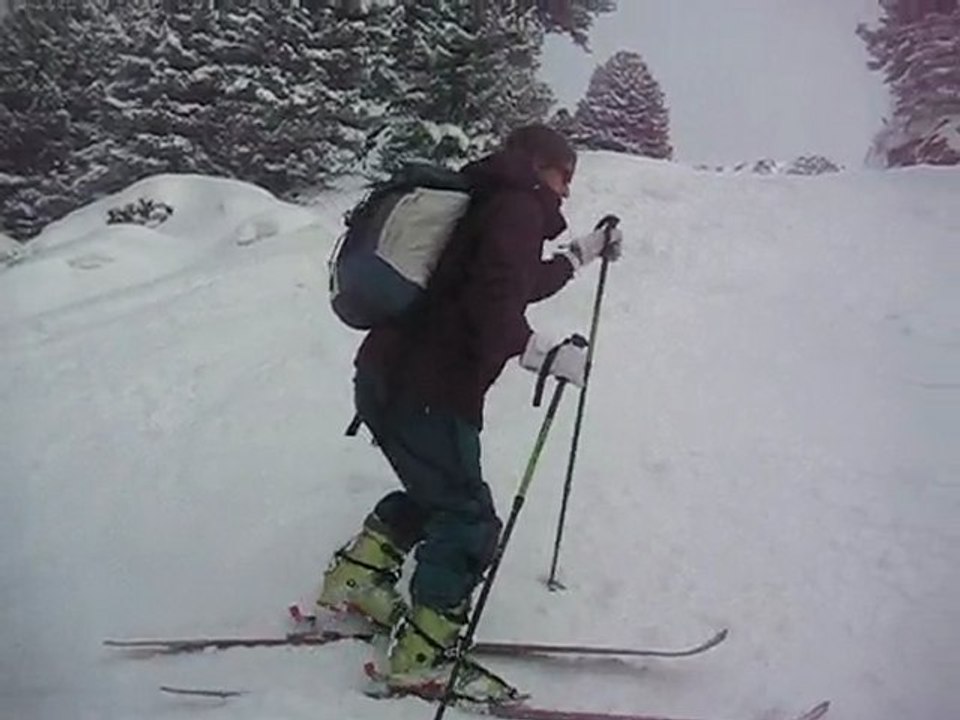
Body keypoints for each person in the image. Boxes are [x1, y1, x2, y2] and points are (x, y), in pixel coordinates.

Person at [316, 125, 622, 700]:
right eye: (564, 176)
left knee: (435, 494)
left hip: (385, 378)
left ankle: (354, 583)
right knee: (468, 518)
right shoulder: (517, 207)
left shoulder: (486, 200)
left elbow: (515, 280)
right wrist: (543, 354)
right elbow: (494, 297)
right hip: (430, 390)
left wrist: (584, 251)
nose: (567, 191)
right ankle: (422, 655)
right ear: (539, 165)